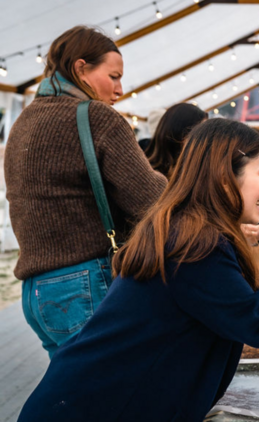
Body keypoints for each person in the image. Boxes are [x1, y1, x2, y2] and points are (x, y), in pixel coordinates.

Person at [18, 119, 259, 422]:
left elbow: (245, 301)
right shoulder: (195, 244)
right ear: (223, 176)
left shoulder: (190, 230)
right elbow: (257, 321)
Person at [4, 26, 167, 357]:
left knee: (76, 396)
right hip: (84, 283)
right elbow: (151, 199)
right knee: (116, 394)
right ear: (81, 69)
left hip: (35, 292)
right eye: (114, 76)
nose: (120, 89)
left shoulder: (23, 122)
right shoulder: (96, 117)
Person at [144, 102, 207, 177]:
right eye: (202, 134)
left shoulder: (195, 169)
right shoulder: (152, 178)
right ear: (182, 135)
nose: (206, 140)